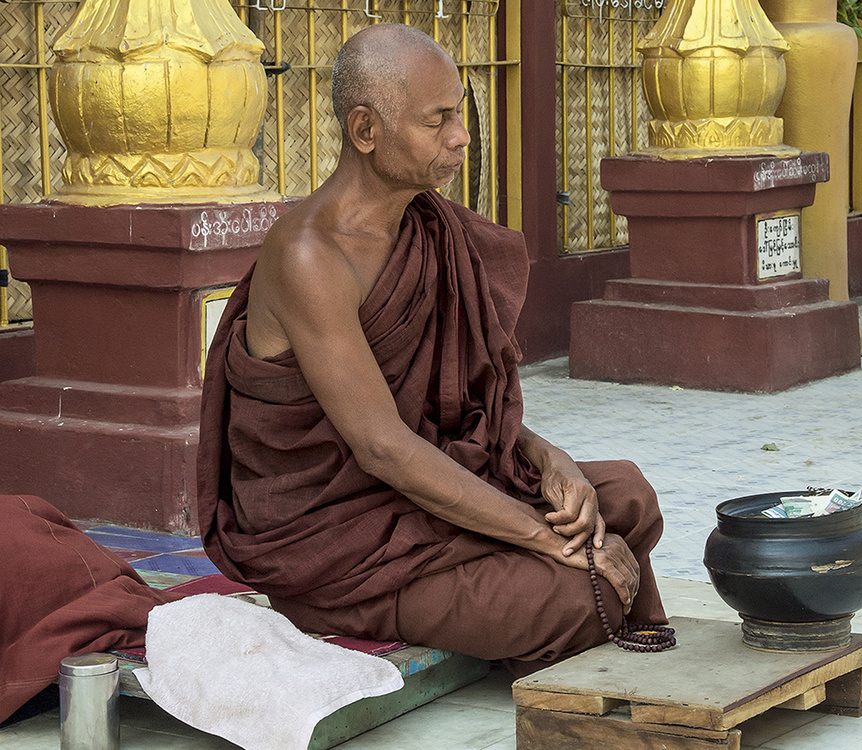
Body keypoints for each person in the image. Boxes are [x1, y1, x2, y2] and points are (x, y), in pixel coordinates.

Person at [198, 22, 668, 674]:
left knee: (623, 497)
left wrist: (544, 452)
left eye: (461, 114)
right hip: (342, 538)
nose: (462, 136)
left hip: (421, 495)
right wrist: (543, 541)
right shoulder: (310, 255)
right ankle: (343, 609)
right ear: (365, 131)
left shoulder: (430, 228)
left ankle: (513, 574)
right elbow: (382, 445)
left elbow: (457, 401)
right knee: (576, 590)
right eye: (438, 120)